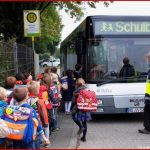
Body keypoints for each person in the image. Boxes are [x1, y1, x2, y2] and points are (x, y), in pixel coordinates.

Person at [138, 52, 150, 134]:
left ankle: (147, 128)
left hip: (149, 95)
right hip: (148, 94)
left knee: (147, 111)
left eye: (149, 58)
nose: (148, 59)